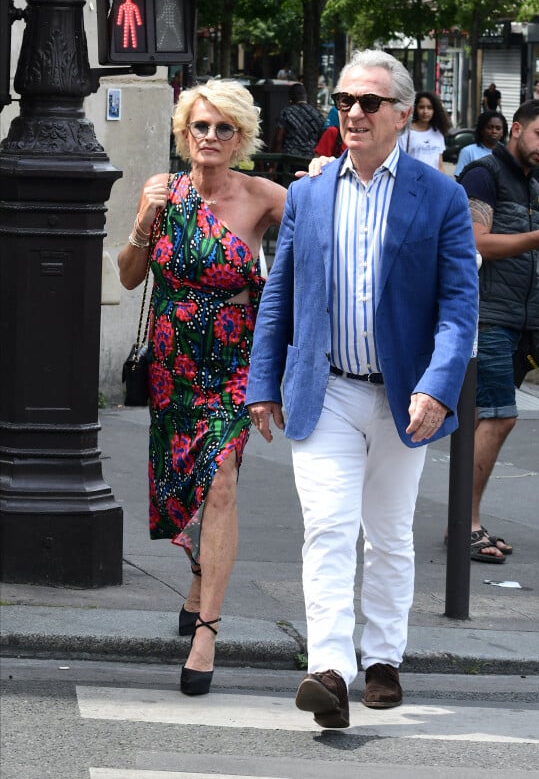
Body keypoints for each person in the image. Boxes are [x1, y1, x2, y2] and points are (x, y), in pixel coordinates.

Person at [246, 49, 479, 729]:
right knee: (328, 528)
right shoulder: (312, 192)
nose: (352, 112)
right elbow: (280, 293)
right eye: (344, 100)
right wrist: (264, 382)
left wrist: (439, 386)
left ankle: (382, 658)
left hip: (406, 394)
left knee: (389, 534)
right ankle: (329, 670)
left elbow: (460, 306)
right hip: (328, 389)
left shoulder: (441, 196)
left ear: (403, 115)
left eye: (369, 103)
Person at [117, 79, 286, 696]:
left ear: (241, 138)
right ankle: (197, 582)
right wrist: (142, 221)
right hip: (171, 365)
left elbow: (318, 242)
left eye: (223, 129)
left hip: (233, 365)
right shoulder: (164, 193)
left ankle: (207, 631)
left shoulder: (266, 197)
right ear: (184, 133)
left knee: (220, 481)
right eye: (200, 127)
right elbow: (131, 279)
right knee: (182, 489)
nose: (210, 137)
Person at [458, 100, 539, 563]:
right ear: (516, 129)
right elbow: (477, 243)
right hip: (486, 318)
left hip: (516, 322)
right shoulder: (484, 174)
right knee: (497, 416)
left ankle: (466, 522)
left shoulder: (533, 187)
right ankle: (465, 525)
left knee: (484, 419)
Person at [398, 91, 449, 172]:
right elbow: (400, 162)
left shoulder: (438, 133)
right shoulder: (405, 133)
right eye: (421, 107)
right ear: (415, 108)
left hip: (434, 181)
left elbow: (440, 165)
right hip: (414, 180)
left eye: (429, 108)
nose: (425, 111)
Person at [271, 83, 325, 157]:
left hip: (290, 159)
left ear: (290, 97)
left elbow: (278, 139)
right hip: (310, 160)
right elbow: (322, 138)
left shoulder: (286, 113)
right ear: (306, 96)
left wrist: (273, 163)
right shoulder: (318, 114)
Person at [454, 110, 508, 178]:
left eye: (498, 128)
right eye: (489, 127)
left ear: (503, 132)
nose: (494, 131)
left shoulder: (507, 154)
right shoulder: (468, 151)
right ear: (481, 130)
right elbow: (459, 179)